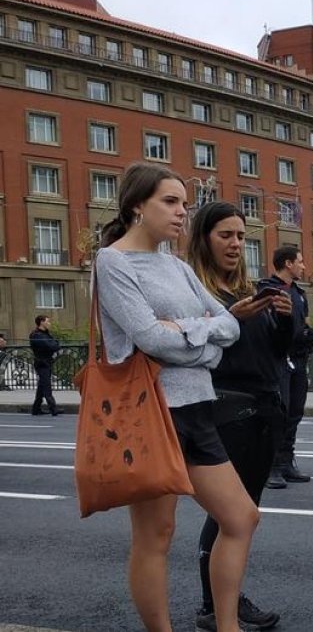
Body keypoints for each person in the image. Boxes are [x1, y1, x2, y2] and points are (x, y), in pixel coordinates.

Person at [94, 161, 252, 632]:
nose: (183, 212)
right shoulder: (112, 262)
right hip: (149, 414)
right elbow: (147, 337)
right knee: (155, 535)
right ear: (136, 206)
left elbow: (229, 324)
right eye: (170, 202)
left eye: (184, 203)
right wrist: (200, 340)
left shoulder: (176, 265)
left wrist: (186, 336)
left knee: (242, 518)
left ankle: (227, 626)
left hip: (197, 409)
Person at [186, 201, 293, 632]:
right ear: (204, 238)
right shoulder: (196, 290)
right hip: (228, 410)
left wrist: (283, 321)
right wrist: (231, 317)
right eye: (225, 235)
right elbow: (198, 348)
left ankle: (224, 599)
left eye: (241, 236)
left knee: (242, 514)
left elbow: (274, 353)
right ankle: (215, 606)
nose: (235, 244)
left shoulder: (247, 290)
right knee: (229, 515)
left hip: (264, 408)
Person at [262, 246, 313, 489]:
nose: (303, 266)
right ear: (288, 263)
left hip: (298, 358)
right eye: (300, 261)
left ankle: (286, 461)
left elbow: (303, 321)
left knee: (295, 411)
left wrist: (308, 333)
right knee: (280, 411)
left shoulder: (299, 292)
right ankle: (271, 465)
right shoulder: (268, 289)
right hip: (278, 359)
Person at [29, 315, 60, 416]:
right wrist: (54, 345)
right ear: (41, 322)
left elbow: (56, 345)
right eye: (48, 321)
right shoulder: (36, 335)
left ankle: (36, 409)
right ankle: (53, 409)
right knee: (46, 387)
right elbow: (51, 346)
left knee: (42, 386)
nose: (49, 323)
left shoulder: (45, 334)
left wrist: (54, 345)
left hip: (47, 362)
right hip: (41, 363)